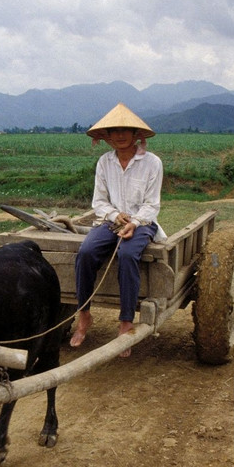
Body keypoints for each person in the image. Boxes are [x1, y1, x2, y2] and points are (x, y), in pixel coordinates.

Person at [71, 103, 165, 357]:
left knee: (126, 255)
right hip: (111, 221)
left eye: (126, 130)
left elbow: (152, 204)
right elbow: (99, 202)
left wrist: (133, 222)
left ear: (136, 135)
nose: (120, 135)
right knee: (86, 251)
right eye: (114, 131)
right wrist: (115, 216)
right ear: (107, 136)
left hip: (142, 223)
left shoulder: (152, 163)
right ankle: (84, 315)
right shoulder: (104, 162)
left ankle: (125, 322)